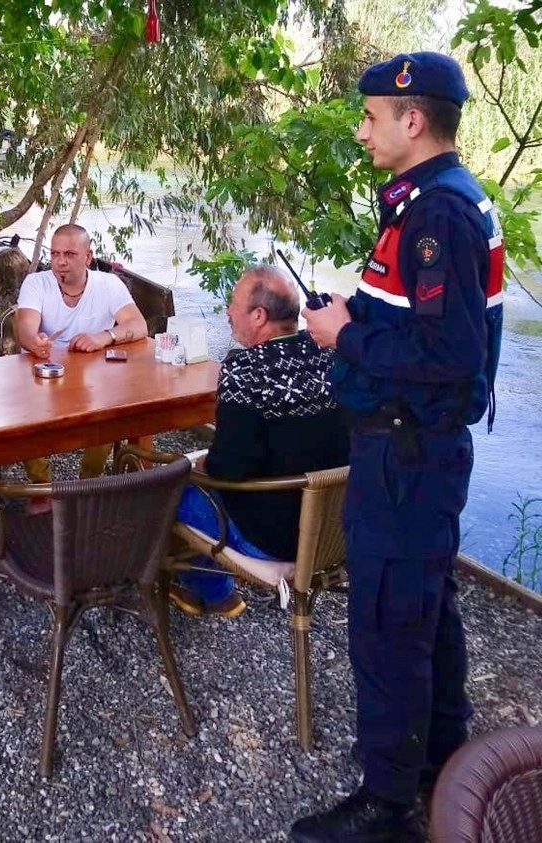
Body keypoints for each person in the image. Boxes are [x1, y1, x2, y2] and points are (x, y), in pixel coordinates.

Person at [292, 52, 504, 843]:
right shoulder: (435, 199)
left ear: (413, 120)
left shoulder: (437, 215)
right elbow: (426, 326)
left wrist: (345, 335)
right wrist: (359, 314)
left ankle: (389, 807)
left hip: (407, 455)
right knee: (424, 607)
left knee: (387, 619)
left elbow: (450, 358)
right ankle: (441, 754)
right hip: (417, 453)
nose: (362, 130)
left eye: (372, 116)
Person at [171, 265, 349, 618]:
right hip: (340, 535)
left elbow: (230, 469)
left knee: (170, 486)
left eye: (233, 304)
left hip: (275, 542)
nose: (227, 311)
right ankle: (206, 589)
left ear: (258, 315)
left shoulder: (246, 369)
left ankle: (217, 592)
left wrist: (200, 465)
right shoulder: (336, 356)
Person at [15, 223, 148, 510]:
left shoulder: (108, 284)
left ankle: (89, 483)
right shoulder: (37, 283)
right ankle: (41, 487)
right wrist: (34, 340)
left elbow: (138, 325)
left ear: (88, 256)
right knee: (22, 418)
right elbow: (24, 327)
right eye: (55, 254)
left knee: (108, 412)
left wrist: (104, 337)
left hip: (93, 379)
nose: (60, 261)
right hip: (44, 374)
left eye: (70, 254)